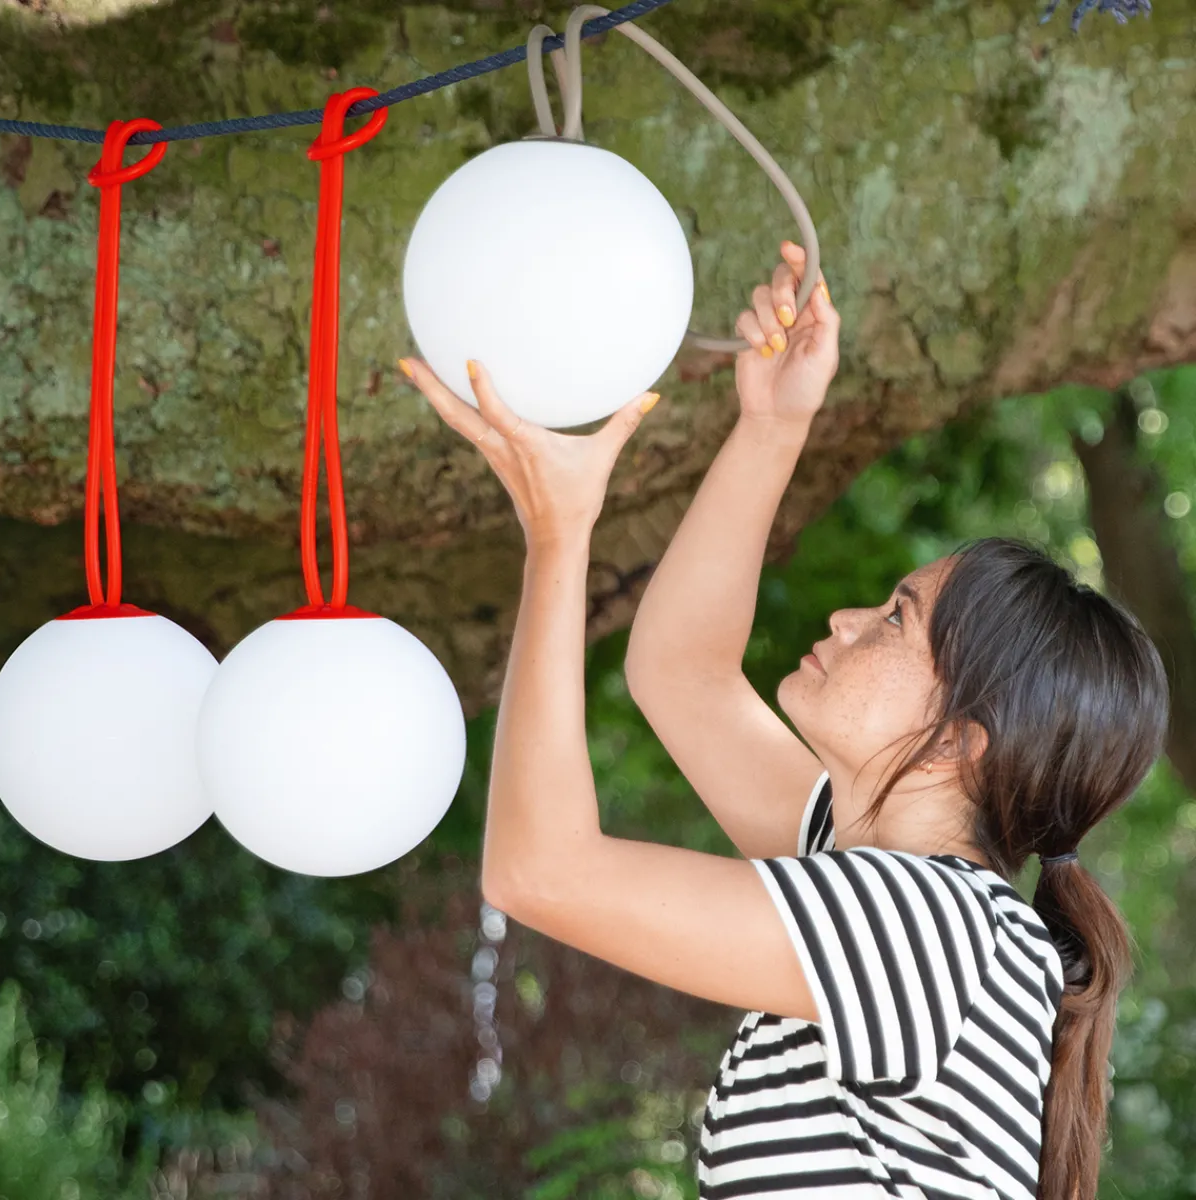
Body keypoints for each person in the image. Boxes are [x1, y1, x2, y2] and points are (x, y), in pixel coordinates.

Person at [400, 241, 1169, 1200]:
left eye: (896, 621)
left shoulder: (926, 929)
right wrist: (772, 425)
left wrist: (560, 539)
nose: (847, 619)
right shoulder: (910, 903)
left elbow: (539, 872)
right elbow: (679, 674)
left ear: (956, 743)